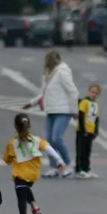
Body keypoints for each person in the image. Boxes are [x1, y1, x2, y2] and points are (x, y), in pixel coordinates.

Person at [2, 113, 64, 214]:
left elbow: (7, 160)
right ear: (29, 125)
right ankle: (34, 207)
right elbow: (49, 149)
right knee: (25, 188)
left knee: (21, 195)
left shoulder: (12, 143)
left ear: (15, 126)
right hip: (33, 174)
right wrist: (59, 161)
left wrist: (11, 159)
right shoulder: (37, 140)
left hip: (20, 173)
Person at [25, 50, 77, 178]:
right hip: (51, 110)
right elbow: (44, 93)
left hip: (63, 110)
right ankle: (54, 167)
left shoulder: (62, 71)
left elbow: (73, 91)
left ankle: (69, 163)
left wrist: (75, 111)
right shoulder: (48, 74)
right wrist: (31, 103)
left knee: (56, 138)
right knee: (48, 141)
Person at [75, 84, 101, 179]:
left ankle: (86, 169)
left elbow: (96, 119)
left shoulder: (96, 105)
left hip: (91, 131)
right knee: (80, 151)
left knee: (87, 151)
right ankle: (79, 169)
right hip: (82, 131)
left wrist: (96, 131)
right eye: (92, 92)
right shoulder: (84, 102)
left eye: (96, 93)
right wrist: (83, 130)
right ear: (88, 92)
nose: (94, 94)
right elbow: (81, 116)